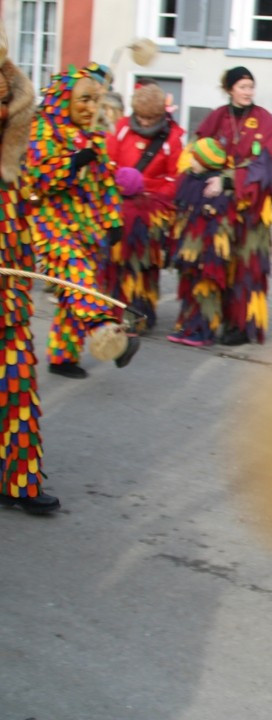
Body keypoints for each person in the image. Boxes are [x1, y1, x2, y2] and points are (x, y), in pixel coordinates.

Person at [23, 64, 138, 379]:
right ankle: (110, 337)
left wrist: (113, 219)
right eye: (84, 100)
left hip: (88, 227)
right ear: (65, 100)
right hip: (52, 226)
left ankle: (62, 357)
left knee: (72, 293)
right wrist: (72, 162)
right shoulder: (44, 129)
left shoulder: (95, 136)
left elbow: (106, 183)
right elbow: (39, 178)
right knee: (78, 280)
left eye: (95, 100)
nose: (91, 108)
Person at [0, 24, 59, 514]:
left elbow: (36, 178)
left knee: (17, 373)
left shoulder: (20, 104)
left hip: (11, 265)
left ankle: (20, 481)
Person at [189, 66, 272, 345]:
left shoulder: (262, 118)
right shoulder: (219, 116)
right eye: (242, 87)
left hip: (251, 207)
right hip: (220, 207)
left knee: (247, 268)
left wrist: (229, 179)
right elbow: (198, 147)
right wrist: (196, 165)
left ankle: (243, 326)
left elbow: (265, 163)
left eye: (251, 87)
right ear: (230, 89)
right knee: (221, 265)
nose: (248, 92)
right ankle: (217, 321)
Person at [104, 82, 185, 331]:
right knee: (115, 263)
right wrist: (121, 184)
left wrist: (145, 188)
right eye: (141, 117)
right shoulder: (121, 129)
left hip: (152, 211)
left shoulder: (173, 137)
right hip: (120, 206)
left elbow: (176, 180)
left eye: (151, 118)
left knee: (145, 266)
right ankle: (113, 309)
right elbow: (109, 163)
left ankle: (141, 312)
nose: (146, 123)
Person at [168, 137, 233, 346]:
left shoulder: (215, 186)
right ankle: (186, 326)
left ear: (206, 162)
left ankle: (204, 331)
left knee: (206, 290)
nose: (191, 161)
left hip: (206, 249)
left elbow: (221, 221)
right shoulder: (189, 179)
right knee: (188, 287)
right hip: (187, 245)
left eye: (195, 158)